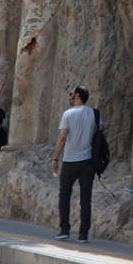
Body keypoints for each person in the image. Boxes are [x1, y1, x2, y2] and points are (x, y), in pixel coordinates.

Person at [51, 86, 98, 242]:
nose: (69, 96)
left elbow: (62, 138)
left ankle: (64, 229)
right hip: (88, 161)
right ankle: (83, 234)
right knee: (86, 198)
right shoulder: (95, 114)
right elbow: (100, 132)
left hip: (70, 161)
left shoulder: (68, 114)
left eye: (71, 94)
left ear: (77, 95)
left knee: (64, 194)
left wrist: (55, 158)